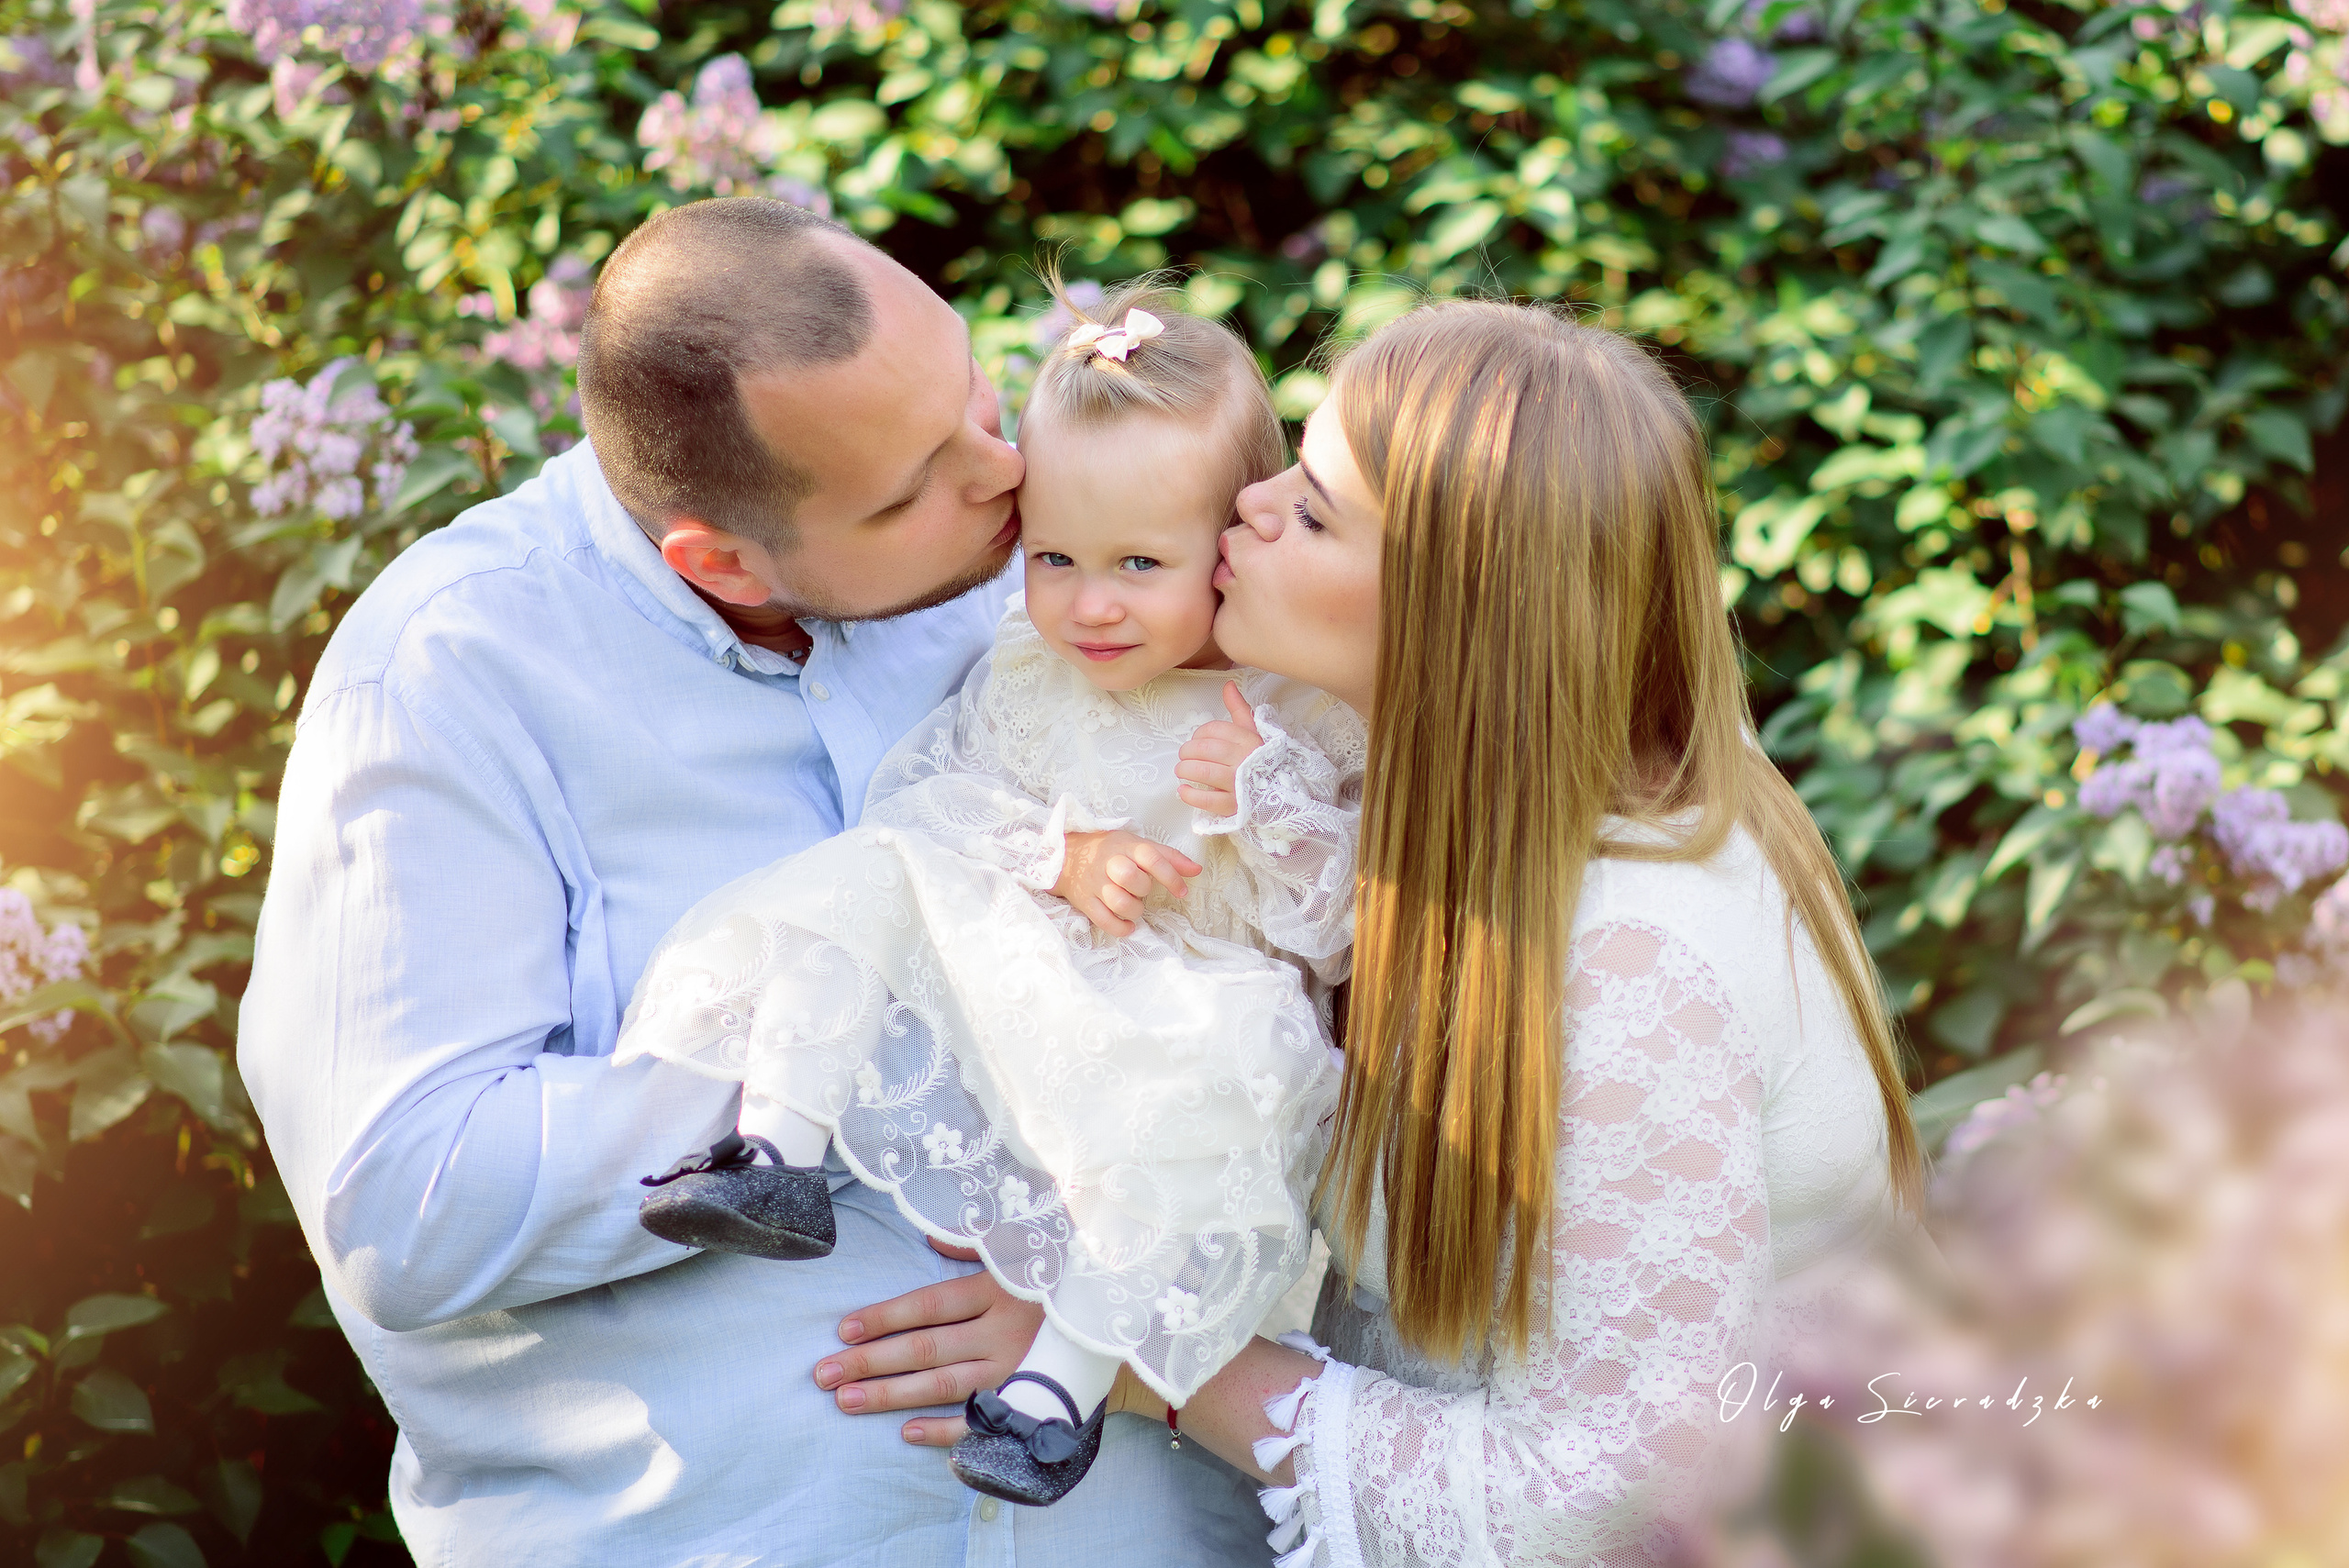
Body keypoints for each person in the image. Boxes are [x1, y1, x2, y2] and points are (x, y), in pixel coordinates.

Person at [239, 197, 1273, 1565]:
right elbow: (409, 1204)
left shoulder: (1046, 579)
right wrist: (894, 1042)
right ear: (719, 559)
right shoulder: (446, 671)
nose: (1005, 468)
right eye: (912, 487)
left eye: (971, 387)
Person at [847, 298, 1927, 1564]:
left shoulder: (1632, 959)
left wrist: (1132, 1347)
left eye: (1311, 509)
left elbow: (1613, 1485)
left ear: (1455, 611)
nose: (1248, 504)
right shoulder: (1456, 809)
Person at [610, 282, 1364, 1507]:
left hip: (1181, 1016)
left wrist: (1268, 803)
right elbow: (933, 798)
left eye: (1138, 563)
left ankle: (1057, 1387)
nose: (1090, 602)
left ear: (1232, 539)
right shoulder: (1031, 656)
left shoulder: (1297, 706)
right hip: (1026, 974)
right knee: (871, 871)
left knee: (1235, 1067)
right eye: (1056, 556)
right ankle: (772, 1148)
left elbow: (1335, 935)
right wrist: (1059, 856)